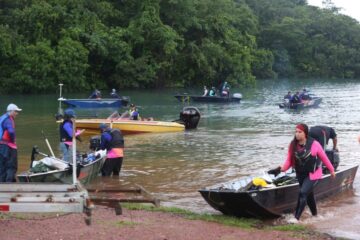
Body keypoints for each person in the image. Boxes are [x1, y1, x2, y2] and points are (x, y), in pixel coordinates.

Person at [268, 123, 336, 223]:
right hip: (300, 173)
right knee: (309, 195)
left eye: (300, 132)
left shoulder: (314, 144)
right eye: (296, 132)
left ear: (305, 133)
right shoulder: (292, 145)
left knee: (303, 192)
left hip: (314, 173)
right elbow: (289, 161)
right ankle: (315, 216)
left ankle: (296, 218)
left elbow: (324, 158)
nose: (297, 134)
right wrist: (281, 169)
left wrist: (331, 170)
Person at [0, 104, 22, 182]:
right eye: (16, 111)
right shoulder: (8, 120)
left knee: (2, 167)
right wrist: (13, 140)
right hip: (8, 146)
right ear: (11, 111)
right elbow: (11, 131)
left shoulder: (2, 118)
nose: (17, 113)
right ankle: (9, 185)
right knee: (11, 166)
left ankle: (2, 186)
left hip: (1, 146)